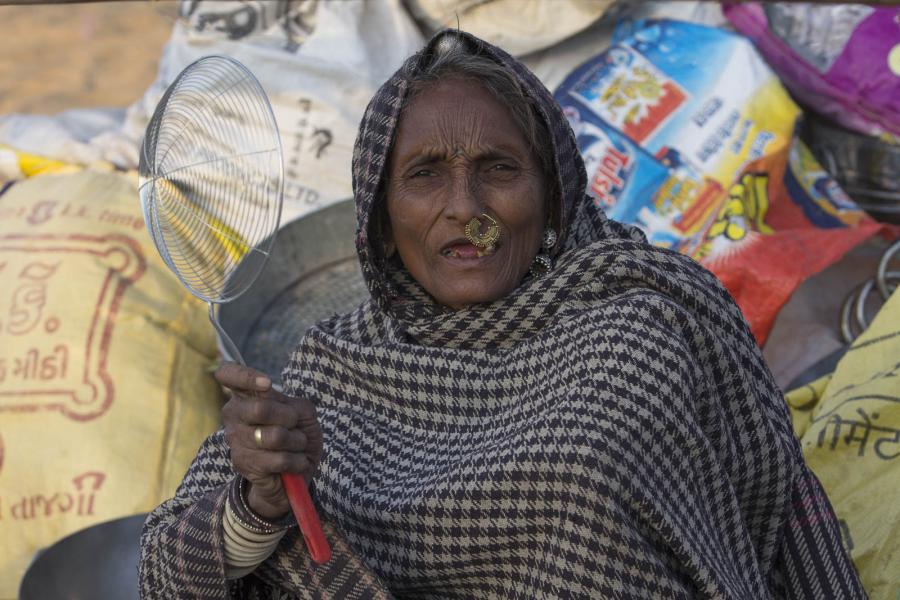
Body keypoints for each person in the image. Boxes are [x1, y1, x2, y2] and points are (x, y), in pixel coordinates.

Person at [139, 30, 865, 599]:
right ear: (381, 218)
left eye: (499, 169)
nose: (466, 208)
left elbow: (782, 517)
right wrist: (258, 503)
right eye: (424, 175)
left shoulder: (652, 316)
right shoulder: (328, 373)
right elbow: (165, 579)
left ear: (553, 192)